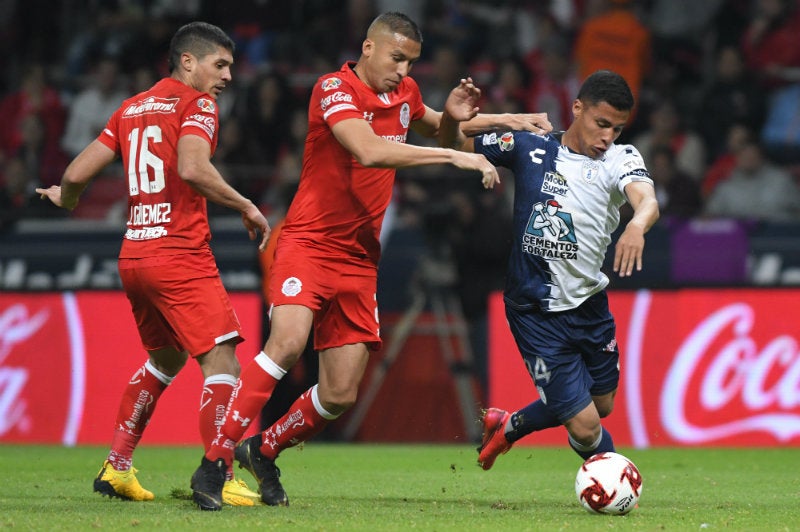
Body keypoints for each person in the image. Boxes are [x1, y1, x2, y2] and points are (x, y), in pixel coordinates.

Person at [189, 11, 552, 511]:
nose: (403, 70)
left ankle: (263, 448)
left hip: (359, 259)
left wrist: (509, 120)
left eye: (411, 62)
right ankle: (215, 461)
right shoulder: (333, 89)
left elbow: (446, 131)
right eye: (397, 57)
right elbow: (371, 150)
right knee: (289, 343)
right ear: (368, 48)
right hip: (308, 245)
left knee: (338, 394)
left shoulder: (404, 95)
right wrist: (455, 157)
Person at [36, 21, 270, 507]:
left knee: (165, 359)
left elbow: (76, 172)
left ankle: (116, 467)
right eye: (219, 64)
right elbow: (192, 167)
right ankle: (219, 471)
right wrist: (246, 204)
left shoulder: (131, 107)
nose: (227, 75)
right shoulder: (198, 104)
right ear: (189, 61)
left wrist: (67, 198)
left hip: (135, 254)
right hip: (179, 253)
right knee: (222, 358)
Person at [438, 70, 659, 471]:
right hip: (534, 309)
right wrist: (454, 117)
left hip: (589, 304)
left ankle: (510, 424)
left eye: (617, 127)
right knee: (587, 425)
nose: (607, 136)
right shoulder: (529, 148)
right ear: (577, 109)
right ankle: (612, 481)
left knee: (603, 404)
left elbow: (646, 200)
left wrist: (636, 225)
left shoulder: (620, 158)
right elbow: (453, 141)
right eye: (601, 123)